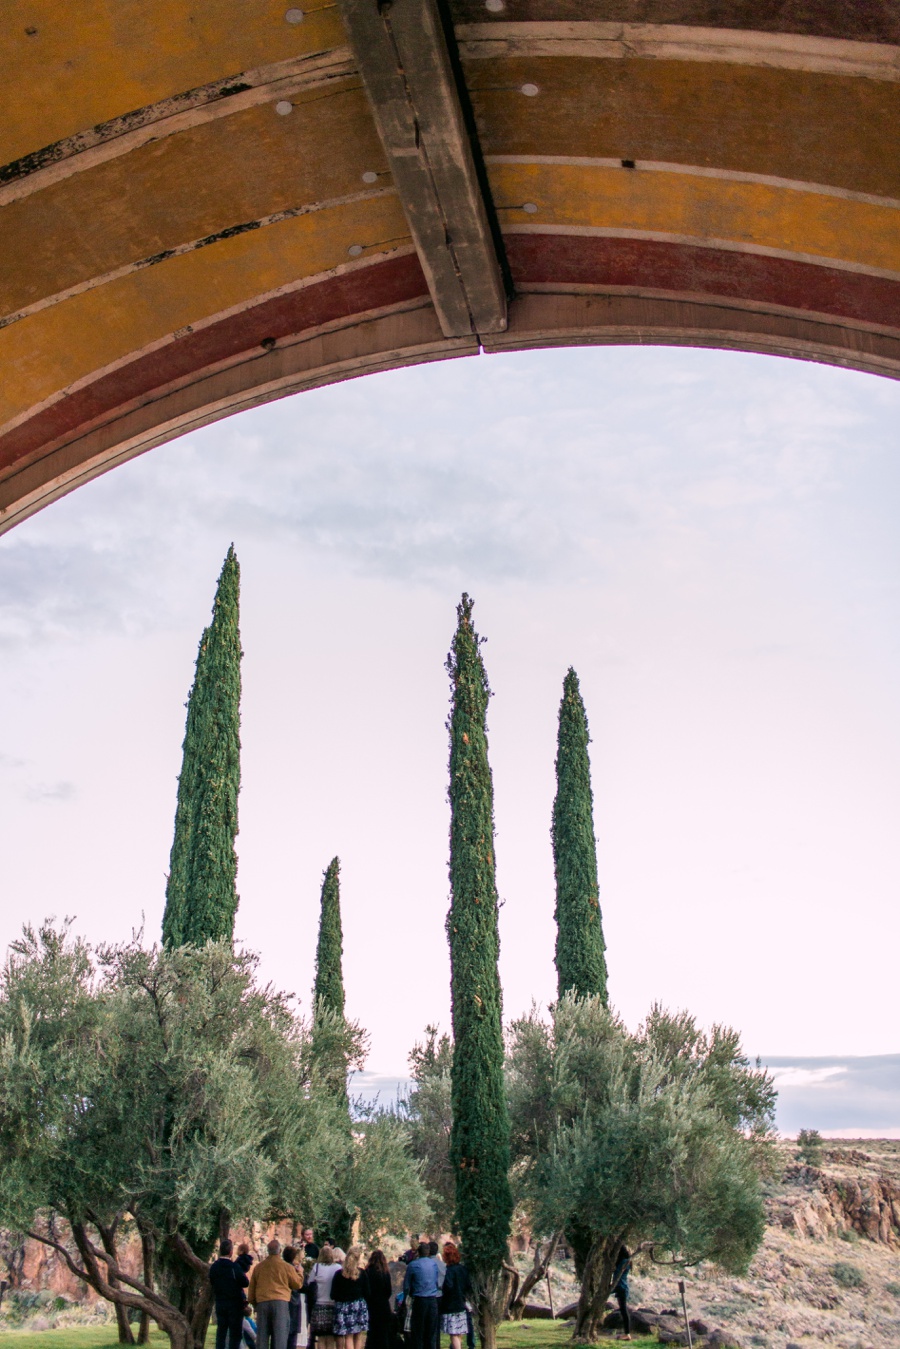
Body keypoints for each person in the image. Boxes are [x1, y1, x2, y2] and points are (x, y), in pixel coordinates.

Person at [248, 1239, 304, 1349]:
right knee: (280, 1339)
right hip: (280, 1303)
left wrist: (255, 1305)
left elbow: (251, 1291)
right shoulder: (286, 1267)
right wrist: (300, 1273)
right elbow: (297, 1284)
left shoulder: (259, 1267)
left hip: (262, 1303)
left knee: (262, 1339)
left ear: (268, 1251)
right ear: (280, 1251)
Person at [210, 1239, 250, 1349]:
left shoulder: (214, 1267)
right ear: (231, 1252)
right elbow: (245, 1282)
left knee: (221, 1331)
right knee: (235, 1333)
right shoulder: (233, 1267)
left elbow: (212, 1281)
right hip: (234, 1304)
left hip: (220, 1302)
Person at [402, 1243, 440, 1349]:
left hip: (419, 1300)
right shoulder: (433, 1264)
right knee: (431, 1333)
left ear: (418, 1252)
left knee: (418, 1333)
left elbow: (406, 1286)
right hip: (432, 1300)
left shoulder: (413, 1265)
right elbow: (436, 1281)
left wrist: (406, 1300)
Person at [332, 1245, 369, 1349]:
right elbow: (368, 1292)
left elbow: (333, 1294)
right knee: (358, 1335)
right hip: (358, 1306)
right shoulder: (362, 1273)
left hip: (343, 1306)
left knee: (348, 1336)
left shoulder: (339, 1274)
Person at [309, 1243, 342, 1349]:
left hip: (319, 1305)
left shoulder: (316, 1267)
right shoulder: (338, 1268)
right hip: (333, 1305)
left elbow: (310, 1282)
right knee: (331, 1338)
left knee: (321, 1338)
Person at [438, 1244, 470, 1349]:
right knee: (458, 1332)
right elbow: (468, 1285)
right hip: (461, 1304)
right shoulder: (463, 1269)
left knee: (453, 1334)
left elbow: (448, 1286)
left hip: (450, 1306)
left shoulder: (449, 1271)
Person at [363, 1250, 392, 1349]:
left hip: (371, 1305)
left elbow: (366, 1291)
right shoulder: (385, 1272)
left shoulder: (367, 1271)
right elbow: (389, 1290)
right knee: (383, 1333)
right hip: (383, 1305)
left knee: (371, 1332)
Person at [284, 1248, 304, 1349]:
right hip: (293, 1301)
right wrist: (301, 1273)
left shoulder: (281, 1267)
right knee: (292, 1333)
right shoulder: (292, 1269)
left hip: (284, 1301)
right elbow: (299, 1285)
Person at [611, 1246, 632, 1343]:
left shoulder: (624, 1262)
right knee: (623, 1310)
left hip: (621, 1287)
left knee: (624, 1311)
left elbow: (618, 1274)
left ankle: (627, 1334)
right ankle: (626, 1333)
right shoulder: (624, 1261)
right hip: (620, 1287)